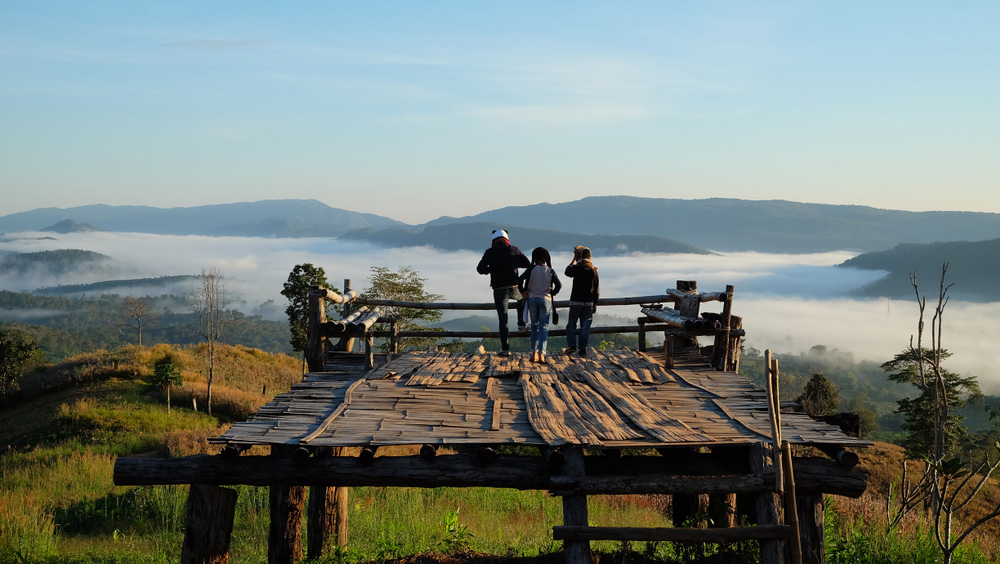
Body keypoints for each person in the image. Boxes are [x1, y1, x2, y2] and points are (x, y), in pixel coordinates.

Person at [477, 229, 530, 356]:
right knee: (520, 299)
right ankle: (521, 324)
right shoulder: (514, 249)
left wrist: (491, 269)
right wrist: (513, 264)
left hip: (499, 289)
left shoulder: (489, 252)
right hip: (514, 286)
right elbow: (527, 263)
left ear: (494, 240)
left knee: (503, 320)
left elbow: (480, 269)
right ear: (506, 238)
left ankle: (505, 348)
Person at [518, 247, 562, 363]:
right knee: (544, 328)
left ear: (535, 258)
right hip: (545, 300)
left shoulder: (531, 269)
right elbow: (559, 285)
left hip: (532, 299)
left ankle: (534, 353)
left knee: (534, 326)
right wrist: (552, 293)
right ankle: (542, 354)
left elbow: (520, 280)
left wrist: (523, 292)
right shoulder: (550, 270)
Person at [564, 246, 599, 357]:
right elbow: (596, 289)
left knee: (571, 324)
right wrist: (595, 303)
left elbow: (567, 271)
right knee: (585, 326)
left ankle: (572, 346)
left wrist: (574, 259)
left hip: (575, 301)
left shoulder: (577, 268)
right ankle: (583, 349)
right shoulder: (593, 271)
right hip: (588, 302)